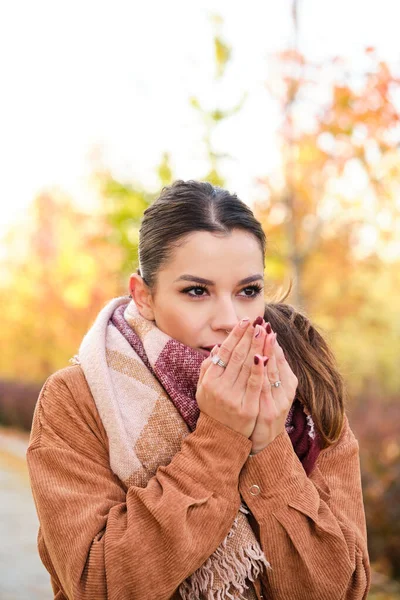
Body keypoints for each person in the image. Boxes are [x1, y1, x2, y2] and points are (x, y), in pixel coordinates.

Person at [27, 180, 370, 600]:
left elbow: (342, 589)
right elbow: (101, 585)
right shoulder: (80, 398)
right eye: (196, 291)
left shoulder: (303, 389)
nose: (229, 318)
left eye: (248, 291)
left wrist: (269, 446)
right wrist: (220, 438)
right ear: (145, 296)